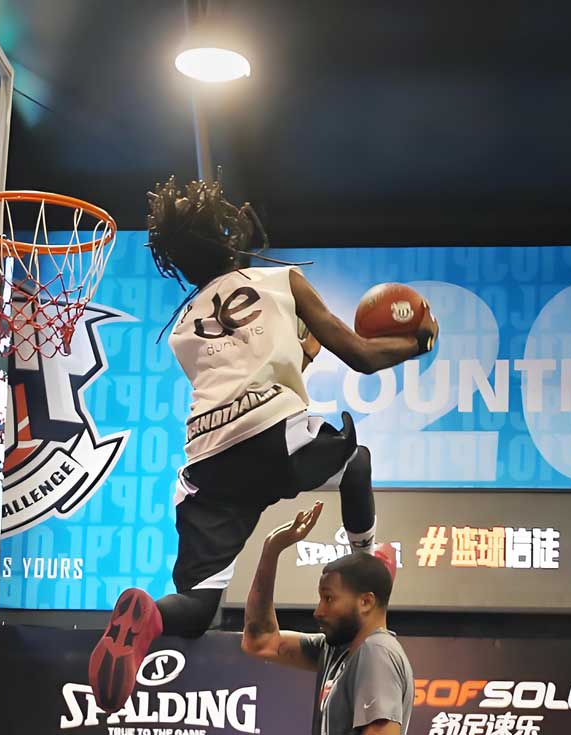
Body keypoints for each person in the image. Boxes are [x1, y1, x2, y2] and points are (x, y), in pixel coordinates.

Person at [86, 177, 436, 711]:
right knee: (356, 464)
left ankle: (148, 616)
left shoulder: (184, 327)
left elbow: (248, 370)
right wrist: (417, 342)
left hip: (208, 457)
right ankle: (367, 562)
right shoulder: (282, 280)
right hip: (272, 434)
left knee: (197, 606)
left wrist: (303, 354)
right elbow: (362, 355)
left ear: (179, 264)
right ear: (228, 236)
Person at [238, 503, 412, 735]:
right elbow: (259, 642)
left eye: (329, 599)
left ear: (366, 602)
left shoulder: (377, 652)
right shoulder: (335, 650)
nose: (318, 611)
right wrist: (272, 550)